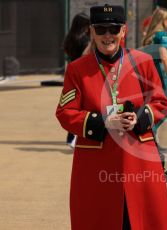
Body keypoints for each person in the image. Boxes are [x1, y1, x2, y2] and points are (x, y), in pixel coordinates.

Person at [56, 4, 167, 230]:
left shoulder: (143, 61)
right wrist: (102, 122)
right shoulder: (77, 70)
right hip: (96, 165)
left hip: (139, 161)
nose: (107, 35)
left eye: (113, 29)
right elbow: (65, 112)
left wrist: (140, 118)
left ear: (123, 31)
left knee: (142, 221)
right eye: (101, 29)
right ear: (91, 31)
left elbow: (161, 102)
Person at [142, 7, 167, 140]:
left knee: (153, 105)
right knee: (166, 108)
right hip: (160, 74)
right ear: (164, 20)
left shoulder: (151, 36)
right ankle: (149, 131)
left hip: (150, 74)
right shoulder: (162, 35)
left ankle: (151, 136)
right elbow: (163, 56)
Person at [63, 12, 91, 148]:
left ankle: (71, 137)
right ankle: (74, 137)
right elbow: (86, 56)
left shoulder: (69, 38)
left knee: (72, 105)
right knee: (83, 106)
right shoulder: (85, 40)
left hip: (71, 72)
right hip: (82, 73)